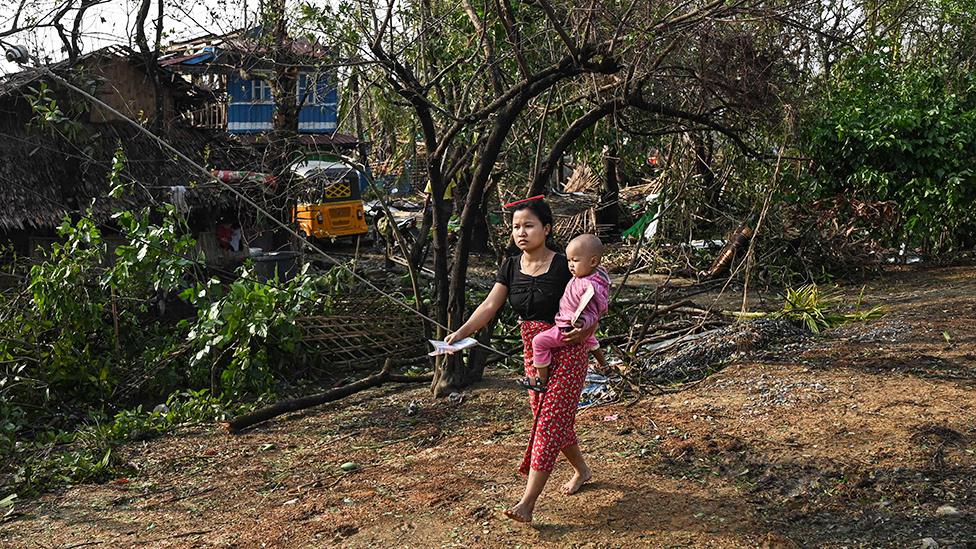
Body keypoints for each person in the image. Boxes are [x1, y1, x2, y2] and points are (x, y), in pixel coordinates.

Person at [444, 196, 595, 523]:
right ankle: (582, 470)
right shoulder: (510, 265)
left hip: (567, 351)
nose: (521, 232)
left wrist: (586, 333)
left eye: (529, 225)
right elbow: (489, 306)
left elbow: (594, 300)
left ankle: (526, 504)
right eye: (516, 227)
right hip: (534, 354)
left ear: (547, 228)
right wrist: (461, 333)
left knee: (549, 422)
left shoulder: (565, 265)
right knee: (549, 419)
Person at [524, 234, 610, 391]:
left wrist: (583, 324)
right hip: (576, 326)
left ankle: (541, 380)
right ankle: (604, 365)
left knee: (539, 342)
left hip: (568, 328)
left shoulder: (590, 287)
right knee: (590, 339)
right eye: (569, 260)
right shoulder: (593, 276)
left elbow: (596, 310)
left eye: (575, 261)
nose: (570, 265)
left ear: (593, 261)